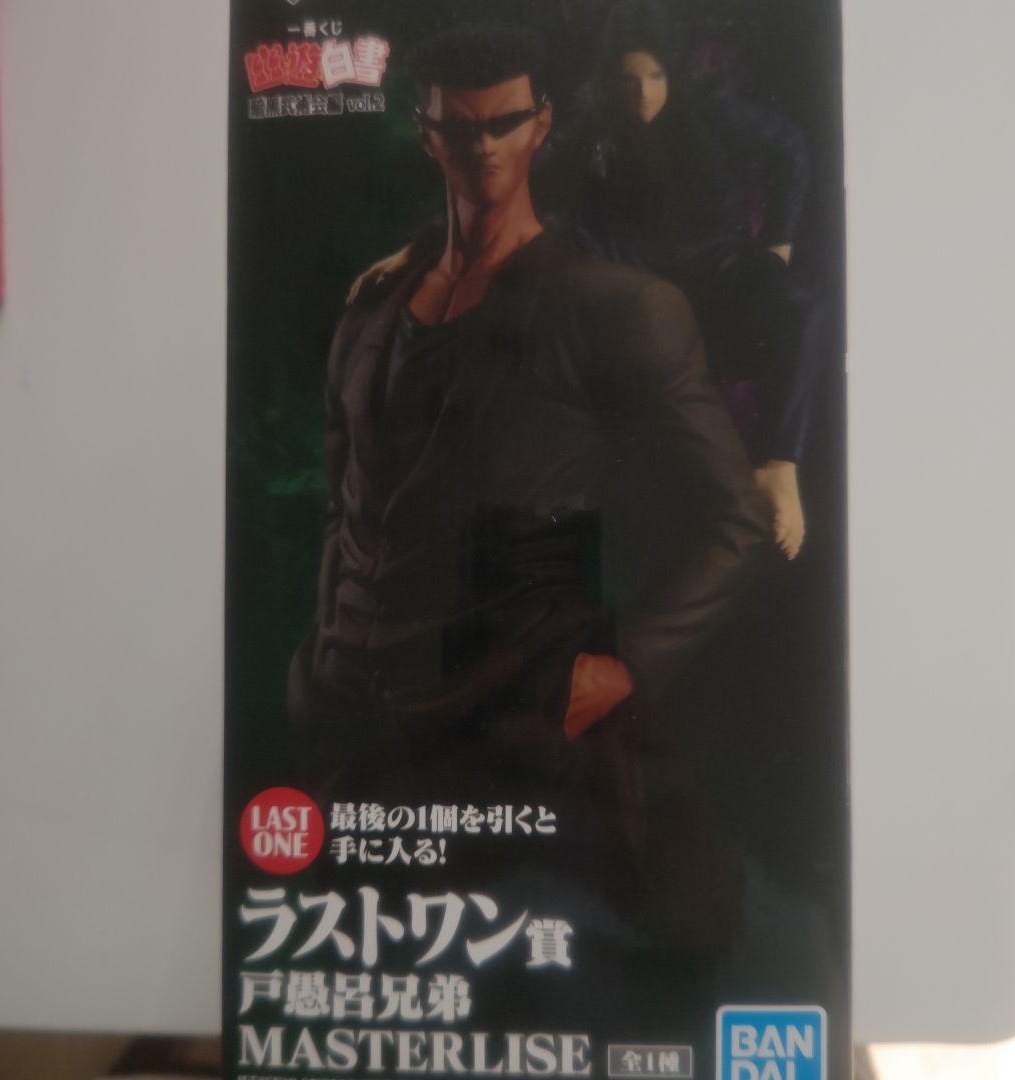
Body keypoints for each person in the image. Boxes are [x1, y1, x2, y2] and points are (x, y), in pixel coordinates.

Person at [289, 24, 770, 937]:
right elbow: (342, 506)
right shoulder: (372, 309)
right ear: (427, 133)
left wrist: (623, 667)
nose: (484, 147)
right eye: (461, 127)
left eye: (504, 123)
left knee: (561, 961)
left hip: (517, 732)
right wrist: (319, 659)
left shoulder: (614, 308)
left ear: (541, 124)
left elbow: (737, 521)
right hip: (357, 729)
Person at [558, 1, 813, 560]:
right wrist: (426, 246)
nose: (643, 94)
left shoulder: (711, 110)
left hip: (717, 281)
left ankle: (780, 467)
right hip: (641, 305)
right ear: (609, 82)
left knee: (799, 307)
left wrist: (779, 242)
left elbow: (791, 149)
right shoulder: (588, 129)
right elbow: (515, 185)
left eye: (656, 77)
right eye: (628, 81)